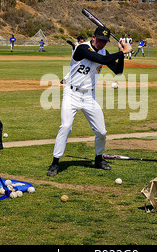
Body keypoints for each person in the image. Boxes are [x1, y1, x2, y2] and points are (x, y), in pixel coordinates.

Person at [47, 26, 132, 176]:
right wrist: (122, 51)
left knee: (101, 132)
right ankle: (55, 163)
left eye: (104, 41)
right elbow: (101, 59)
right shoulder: (81, 48)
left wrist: (122, 54)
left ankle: (99, 159)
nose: (101, 44)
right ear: (93, 37)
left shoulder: (104, 51)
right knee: (66, 126)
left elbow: (118, 71)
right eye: (99, 40)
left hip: (89, 97)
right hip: (72, 94)